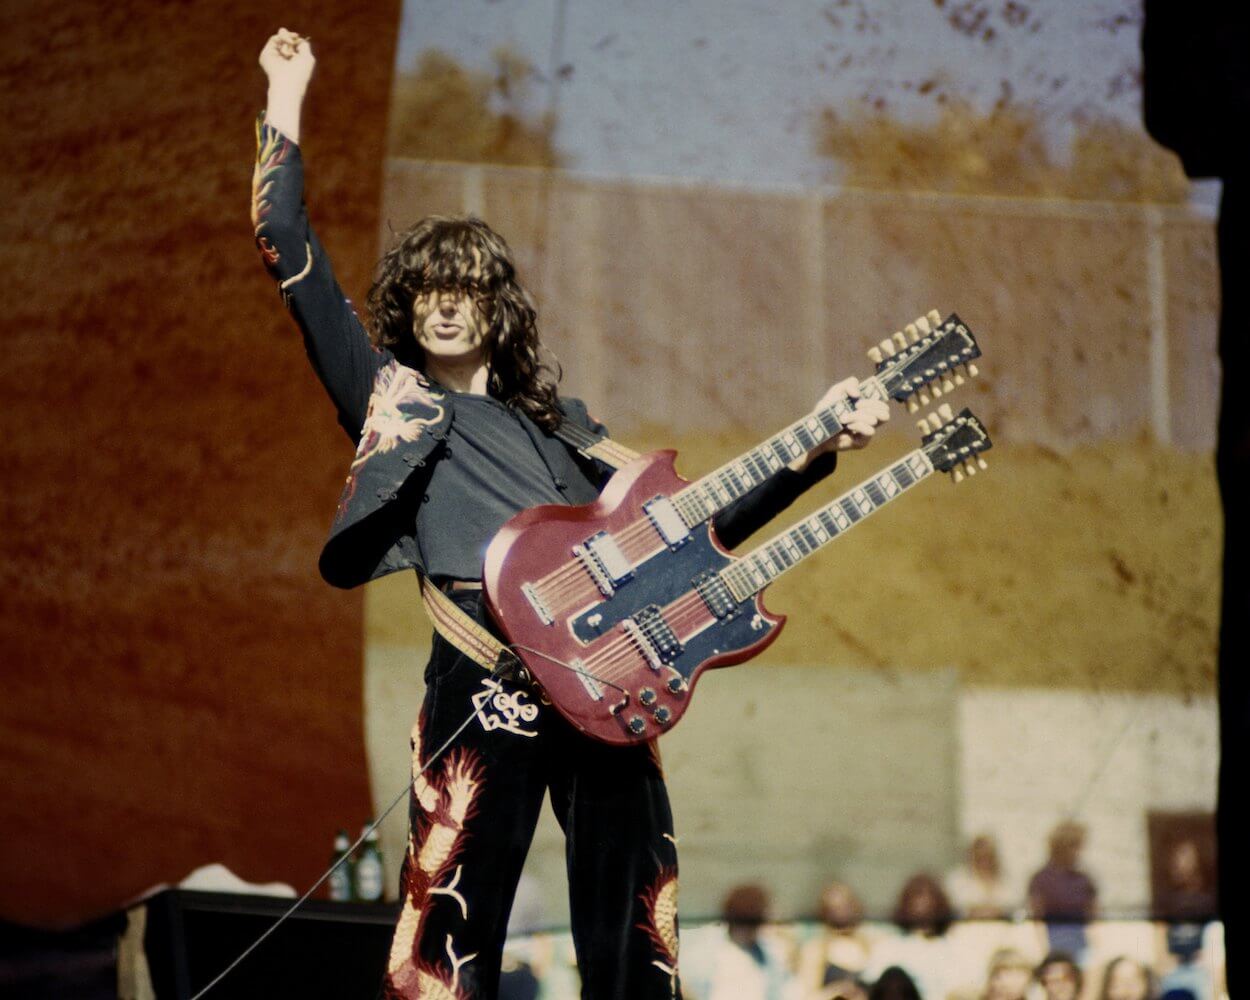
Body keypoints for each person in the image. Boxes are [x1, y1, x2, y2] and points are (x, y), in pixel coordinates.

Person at [255, 27, 890, 1000]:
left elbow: (692, 533)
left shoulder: (569, 433)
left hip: (605, 669)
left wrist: (815, 447)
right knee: (451, 917)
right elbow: (287, 247)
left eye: (466, 285)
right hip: (483, 665)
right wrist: (285, 93)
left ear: (495, 304)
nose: (446, 303)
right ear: (406, 303)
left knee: (636, 911)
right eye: (427, 286)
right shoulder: (389, 395)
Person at [1028, 821, 1097, 960]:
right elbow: (1037, 919)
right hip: (1053, 944)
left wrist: (1095, 949)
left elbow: (1093, 917)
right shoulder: (1041, 879)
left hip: (1081, 945)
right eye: (1074, 846)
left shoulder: (1084, 880)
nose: (1078, 852)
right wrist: (1044, 951)